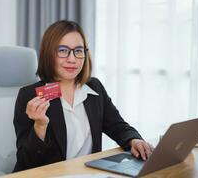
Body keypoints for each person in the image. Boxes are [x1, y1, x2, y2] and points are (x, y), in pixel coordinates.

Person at [13, 20, 153, 172]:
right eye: (62, 50)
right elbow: (27, 162)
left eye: (78, 51)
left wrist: (134, 140)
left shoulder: (94, 87)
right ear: (49, 53)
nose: (72, 59)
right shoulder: (29, 95)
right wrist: (40, 125)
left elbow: (117, 126)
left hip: (89, 174)